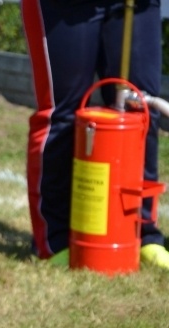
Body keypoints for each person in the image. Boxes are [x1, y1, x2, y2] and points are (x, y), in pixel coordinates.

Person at [21, 0, 169, 268]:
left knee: (141, 110)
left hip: (136, 5)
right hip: (65, 10)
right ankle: (55, 241)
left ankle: (143, 235)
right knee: (62, 116)